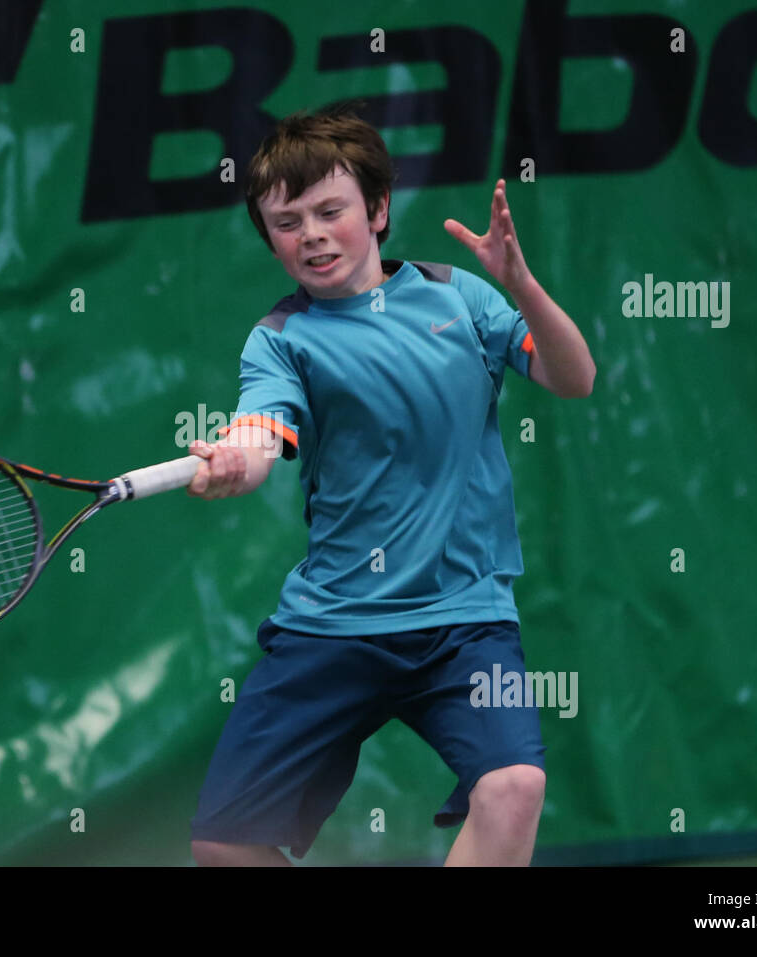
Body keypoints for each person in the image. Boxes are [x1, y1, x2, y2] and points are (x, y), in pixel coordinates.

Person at [185, 104, 595, 866]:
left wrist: (524, 286)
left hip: (464, 620)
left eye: (328, 211)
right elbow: (257, 434)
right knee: (222, 841)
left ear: (376, 212)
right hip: (332, 624)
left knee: (513, 787)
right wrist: (235, 461)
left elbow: (574, 377)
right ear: (271, 242)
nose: (310, 233)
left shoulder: (460, 298)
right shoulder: (280, 341)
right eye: (287, 221)